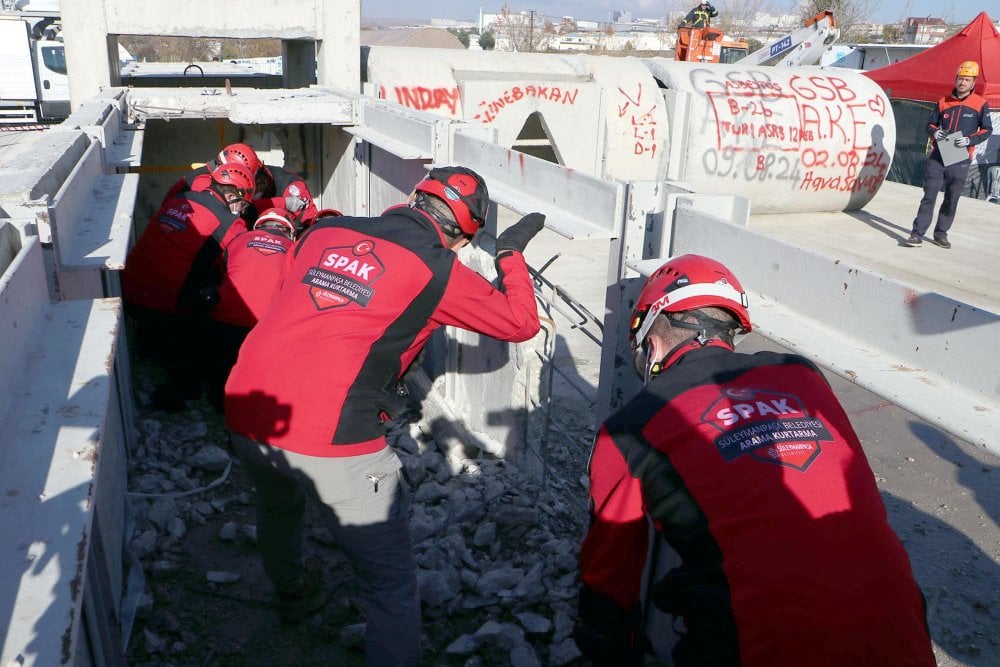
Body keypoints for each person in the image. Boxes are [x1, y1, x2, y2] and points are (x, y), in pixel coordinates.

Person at [223, 166, 544, 664]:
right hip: (333, 437)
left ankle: (292, 596)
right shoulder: (439, 268)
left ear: (414, 198)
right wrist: (510, 257)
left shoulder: (326, 231)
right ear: (461, 237)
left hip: (247, 405)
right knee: (390, 585)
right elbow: (520, 323)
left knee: (277, 510)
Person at [574, 254, 936, 666]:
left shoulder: (632, 427)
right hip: (901, 632)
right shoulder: (803, 376)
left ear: (652, 345)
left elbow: (606, 584)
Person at [123, 162, 256, 410]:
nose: (243, 210)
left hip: (129, 294)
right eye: (244, 203)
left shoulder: (180, 199)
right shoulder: (229, 224)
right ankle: (185, 386)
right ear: (232, 195)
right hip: (163, 308)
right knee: (223, 300)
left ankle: (151, 347)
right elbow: (239, 269)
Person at [203, 207, 299, 410]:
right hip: (266, 325)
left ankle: (218, 403)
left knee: (223, 364)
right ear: (289, 230)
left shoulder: (237, 240)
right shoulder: (293, 248)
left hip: (226, 316)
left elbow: (220, 271)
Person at [904, 60, 992, 249]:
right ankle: (917, 234)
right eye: (960, 78)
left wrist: (969, 140)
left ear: (973, 82)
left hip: (960, 158)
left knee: (952, 198)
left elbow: (987, 130)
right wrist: (934, 132)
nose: (962, 83)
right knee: (929, 195)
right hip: (938, 156)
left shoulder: (980, 104)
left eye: (967, 80)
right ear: (956, 79)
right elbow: (930, 124)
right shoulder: (943, 101)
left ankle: (941, 234)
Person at [166, 142, 320, 230]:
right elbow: (225, 212)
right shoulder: (202, 182)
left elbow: (312, 226)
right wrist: (283, 203)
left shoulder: (291, 186)